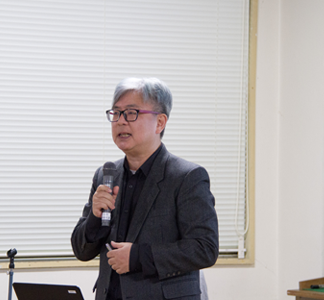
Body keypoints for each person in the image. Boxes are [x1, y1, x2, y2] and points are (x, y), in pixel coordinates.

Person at [71, 77, 219, 300]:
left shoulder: (186, 177)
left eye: (131, 113)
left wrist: (139, 256)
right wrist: (94, 217)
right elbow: (82, 251)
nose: (121, 121)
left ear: (160, 122)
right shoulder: (105, 175)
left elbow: (204, 248)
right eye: (116, 113)